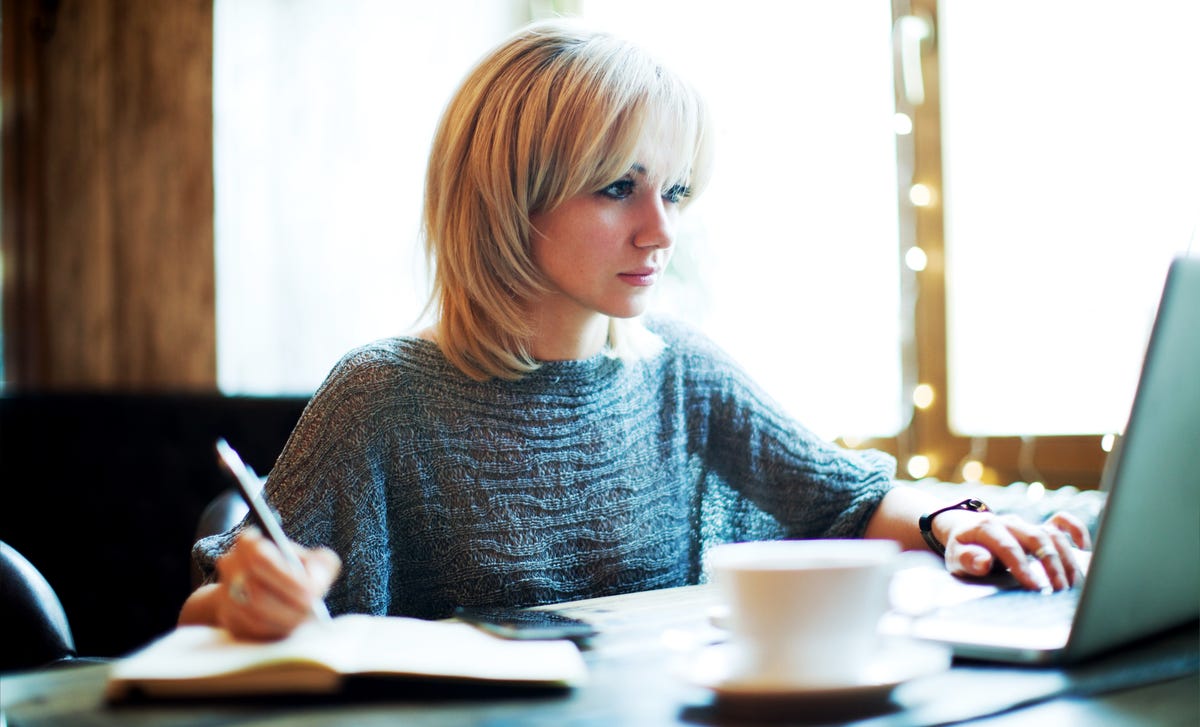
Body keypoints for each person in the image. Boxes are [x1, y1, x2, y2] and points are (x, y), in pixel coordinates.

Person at [180, 19, 1089, 641]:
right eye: (619, 186)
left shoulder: (682, 372)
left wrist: (959, 521)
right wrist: (250, 605)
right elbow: (205, 612)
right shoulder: (384, 395)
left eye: (676, 191)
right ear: (509, 195)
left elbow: (846, 501)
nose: (662, 229)